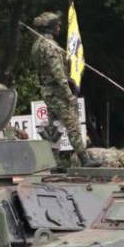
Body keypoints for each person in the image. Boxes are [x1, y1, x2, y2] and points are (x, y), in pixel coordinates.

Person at [30, 11, 96, 167]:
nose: (59, 27)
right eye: (57, 24)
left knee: (54, 128)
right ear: (51, 27)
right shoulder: (50, 46)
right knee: (72, 124)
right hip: (57, 92)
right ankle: (84, 159)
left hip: (47, 91)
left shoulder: (37, 45)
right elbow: (58, 73)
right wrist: (69, 94)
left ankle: (55, 162)